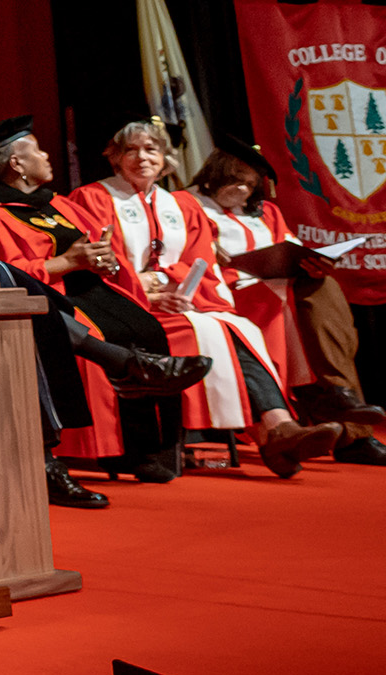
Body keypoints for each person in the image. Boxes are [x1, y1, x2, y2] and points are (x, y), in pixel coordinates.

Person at [59, 122, 341, 480]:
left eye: (151, 149)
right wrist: (144, 289)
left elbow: (200, 261)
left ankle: (278, 430)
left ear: (165, 158)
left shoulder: (181, 205)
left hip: (176, 304)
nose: (142, 157)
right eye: (131, 150)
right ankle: (276, 432)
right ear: (115, 157)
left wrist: (178, 290)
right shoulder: (91, 198)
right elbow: (96, 260)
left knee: (236, 325)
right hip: (121, 307)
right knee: (214, 330)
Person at [0, 116, 204, 499]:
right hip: (55, 293)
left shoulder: (59, 203)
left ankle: (150, 450)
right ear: (16, 163)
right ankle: (116, 449)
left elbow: (103, 249)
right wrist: (67, 262)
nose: (47, 156)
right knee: (101, 332)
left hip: (95, 287)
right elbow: (3, 274)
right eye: (38, 150)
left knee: (146, 328)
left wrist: (106, 261)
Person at [191, 145, 384, 466]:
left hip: (277, 286)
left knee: (322, 285)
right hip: (226, 295)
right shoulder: (189, 204)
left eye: (250, 184)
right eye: (236, 179)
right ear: (215, 172)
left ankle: (337, 398)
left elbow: (292, 246)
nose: (242, 190)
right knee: (294, 300)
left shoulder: (266, 211)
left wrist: (312, 263)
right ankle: (334, 407)